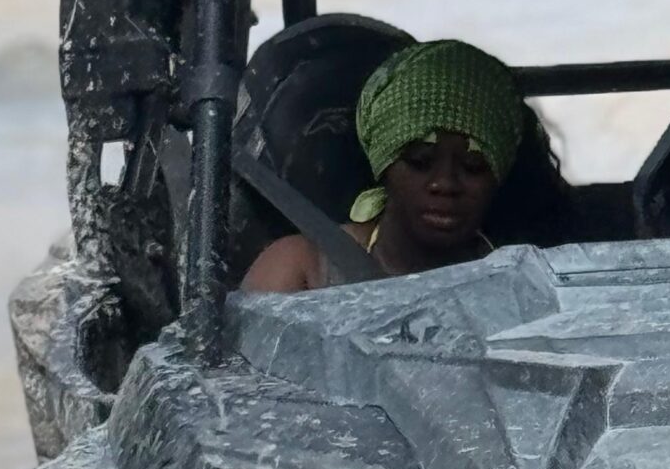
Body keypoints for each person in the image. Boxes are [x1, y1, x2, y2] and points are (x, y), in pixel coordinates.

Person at [243, 37, 570, 291]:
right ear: (382, 162)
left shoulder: (527, 285)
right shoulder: (303, 271)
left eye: (473, 167)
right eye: (420, 162)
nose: (445, 184)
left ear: (500, 172)